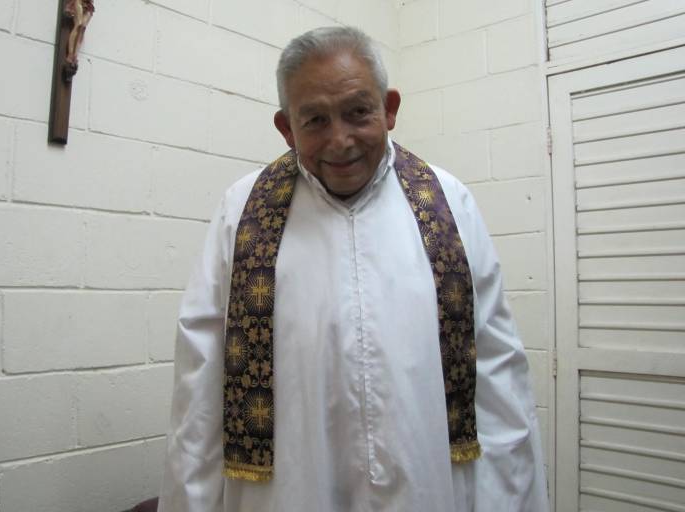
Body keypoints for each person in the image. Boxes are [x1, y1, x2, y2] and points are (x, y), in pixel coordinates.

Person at [158, 26, 549, 512]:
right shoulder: (242, 214)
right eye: (315, 120)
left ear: (389, 108)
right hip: (290, 492)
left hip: (425, 484)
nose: (340, 140)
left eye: (358, 112)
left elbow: (496, 371)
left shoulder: (448, 204)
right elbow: (199, 385)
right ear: (286, 127)